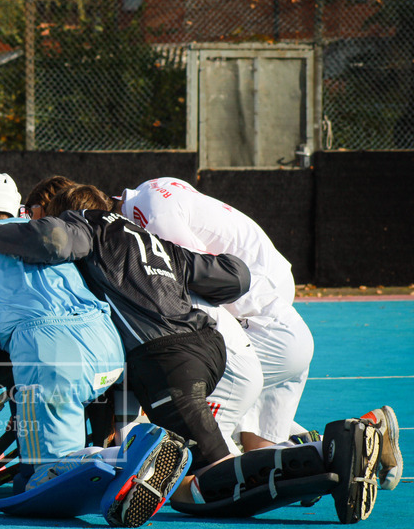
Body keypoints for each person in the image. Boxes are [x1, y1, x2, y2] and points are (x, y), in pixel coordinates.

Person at [0, 184, 384, 524]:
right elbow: (234, 276)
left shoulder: (85, 224)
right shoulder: (152, 239)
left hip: (167, 358)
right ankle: (324, 470)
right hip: (211, 346)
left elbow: (52, 239)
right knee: (213, 470)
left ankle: (329, 452)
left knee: (207, 484)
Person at [114, 177, 402, 491]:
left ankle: (315, 458)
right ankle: (362, 434)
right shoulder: (151, 189)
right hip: (275, 305)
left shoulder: (153, 220)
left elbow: (194, 276)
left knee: (204, 453)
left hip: (256, 314)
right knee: (257, 443)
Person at [0, 174, 188, 528]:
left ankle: (126, 457)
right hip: (106, 343)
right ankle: (123, 455)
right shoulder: (43, 228)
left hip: (50, 351)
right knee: (29, 475)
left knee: (45, 474)